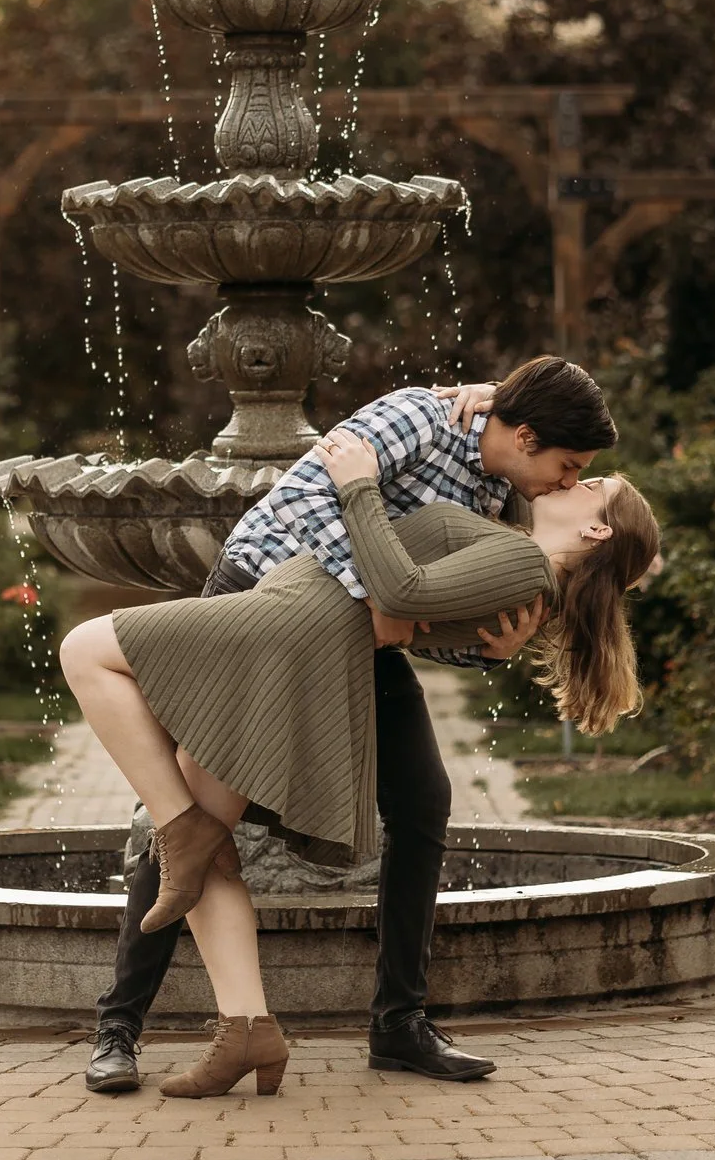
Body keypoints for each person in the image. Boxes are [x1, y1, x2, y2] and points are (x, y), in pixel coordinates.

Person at [63, 358, 655, 1095]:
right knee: (178, 812)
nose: (566, 483)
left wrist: (478, 647)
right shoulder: (420, 417)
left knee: (423, 799)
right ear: (527, 436)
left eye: (581, 477)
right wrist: (384, 598)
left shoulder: (507, 494)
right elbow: (305, 510)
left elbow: (436, 606)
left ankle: (398, 1024)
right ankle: (118, 1025)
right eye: (568, 468)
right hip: (268, 596)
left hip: (355, 638)